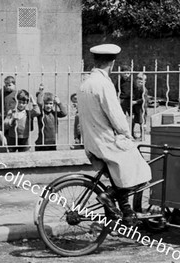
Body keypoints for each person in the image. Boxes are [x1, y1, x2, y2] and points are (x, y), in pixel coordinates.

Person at [77, 44, 152, 225]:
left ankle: (124, 211)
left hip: (91, 141)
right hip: (106, 141)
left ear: (95, 61)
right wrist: (127, 134)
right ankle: (108, 196)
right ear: (112, 63)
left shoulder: (85, 83)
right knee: (141, 170)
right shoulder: (103, 84)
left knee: (121, 173)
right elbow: (116, 115)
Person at [35, 86, 68, 151]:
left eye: (51, 104)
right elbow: (39, 103)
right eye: (46, 104)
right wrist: (40, 92)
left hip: (52, 142)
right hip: (41, 141)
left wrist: (59, 103)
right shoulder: (41, 113)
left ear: (53, 104)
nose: (48, 106)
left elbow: (64, 113)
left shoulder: (54, 113)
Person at [0, 75, 17, 152]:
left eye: (10, 85)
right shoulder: (3, 93)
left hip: (11, 117)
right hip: (2, 115)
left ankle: (9, 146)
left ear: (14, 85)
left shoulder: (16, 94)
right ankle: (2, 136)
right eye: (6, 85)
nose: (7, 87)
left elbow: (16, 105)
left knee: (10, 132)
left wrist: (12, 112)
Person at [120, 72, 148, 139]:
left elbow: (144, 99)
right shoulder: (135, 89)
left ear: (145, 81)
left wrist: (136, 101)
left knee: (142, 122)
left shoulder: (144, 90)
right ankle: (132, 134)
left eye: (141, 80)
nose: (140, 81)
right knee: (133, 121)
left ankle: (142, 135)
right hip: (135, 108)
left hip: (141, 108)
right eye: (138, 79)